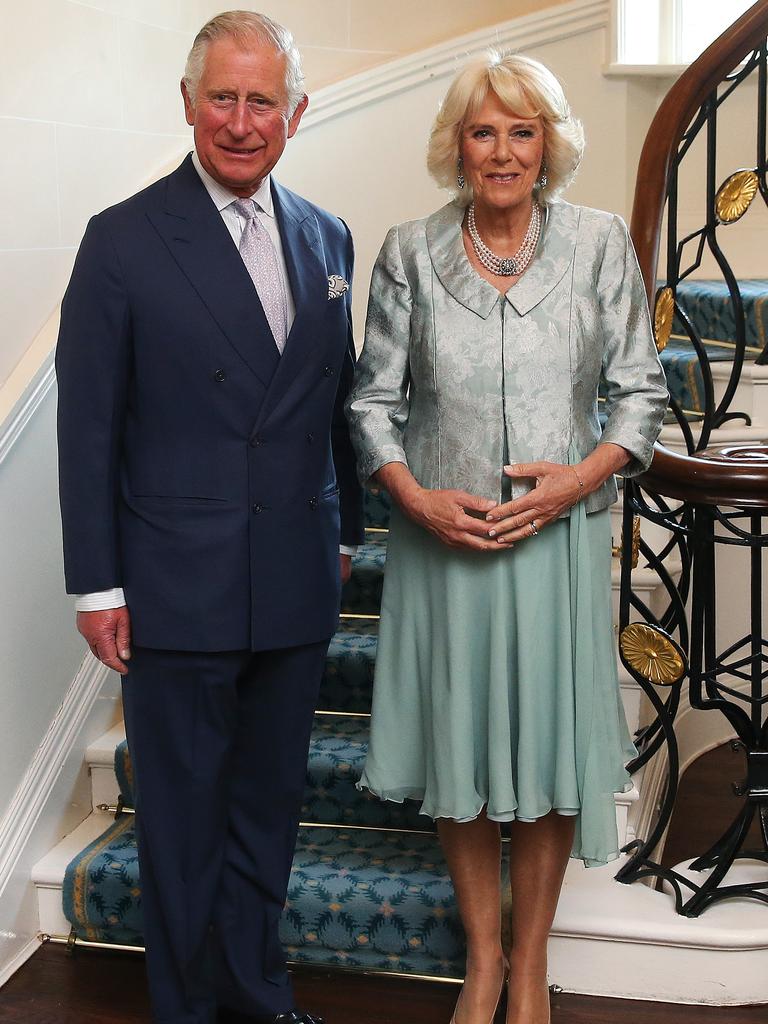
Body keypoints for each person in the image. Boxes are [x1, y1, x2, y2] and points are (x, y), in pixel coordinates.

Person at [346, 51, 667, 1024]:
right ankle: (482, 958)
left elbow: (641, 396)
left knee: (550, 752)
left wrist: (577, 480)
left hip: (556, 544)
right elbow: (370, 402)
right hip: (445, 547)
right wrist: (411, 494)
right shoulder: (408, 250)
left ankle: (530, 964)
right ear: (458, 144)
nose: (502, 150)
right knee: (463, 751)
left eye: (522, 131)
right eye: (483, 131)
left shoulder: (602, 242)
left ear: (549, 144)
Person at [56, 11, 363, 1024]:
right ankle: (186, 1010)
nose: (240, 120)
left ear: (296, 112)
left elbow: (333, 395)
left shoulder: (328, 236)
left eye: (261, 100)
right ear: (188, 104)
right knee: (182, 823)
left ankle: (257, 995)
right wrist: (97, 584)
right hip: (173, 582)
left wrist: (348, 528)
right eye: (221, 98)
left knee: (268, 809)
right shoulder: (123, 240)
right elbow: (90, 426)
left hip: (292, 573)